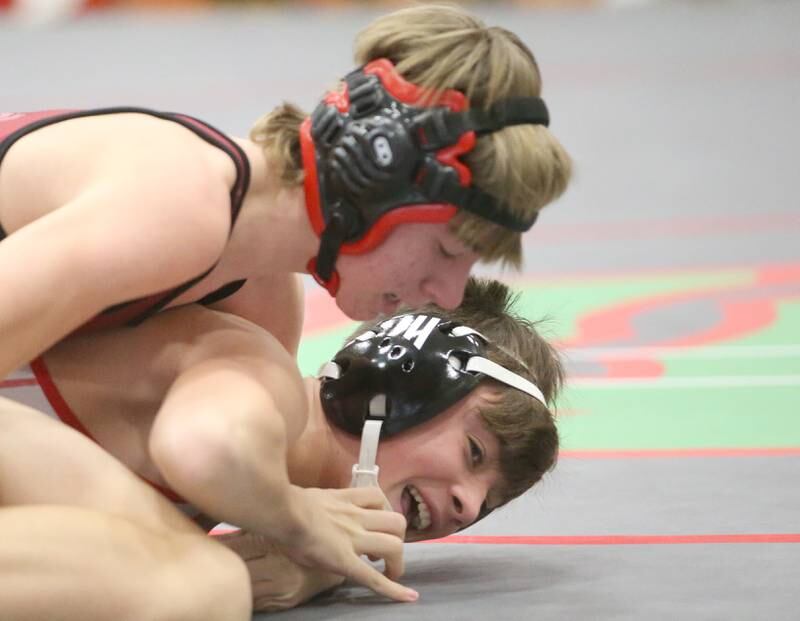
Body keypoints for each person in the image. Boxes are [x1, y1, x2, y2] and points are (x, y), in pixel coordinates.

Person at [0, 3, 572, 379]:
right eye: (448, 250)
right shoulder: (179, 203)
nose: (447, 295)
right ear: (373, 174)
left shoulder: (261, 302)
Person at [0, 278, 563, 618]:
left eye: (486, 504)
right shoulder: (261, 376)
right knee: (205, 587)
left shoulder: (246, 504)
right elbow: (209, 448)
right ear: (400, 384)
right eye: (472, 453)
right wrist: (291, 526)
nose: (465, 509)